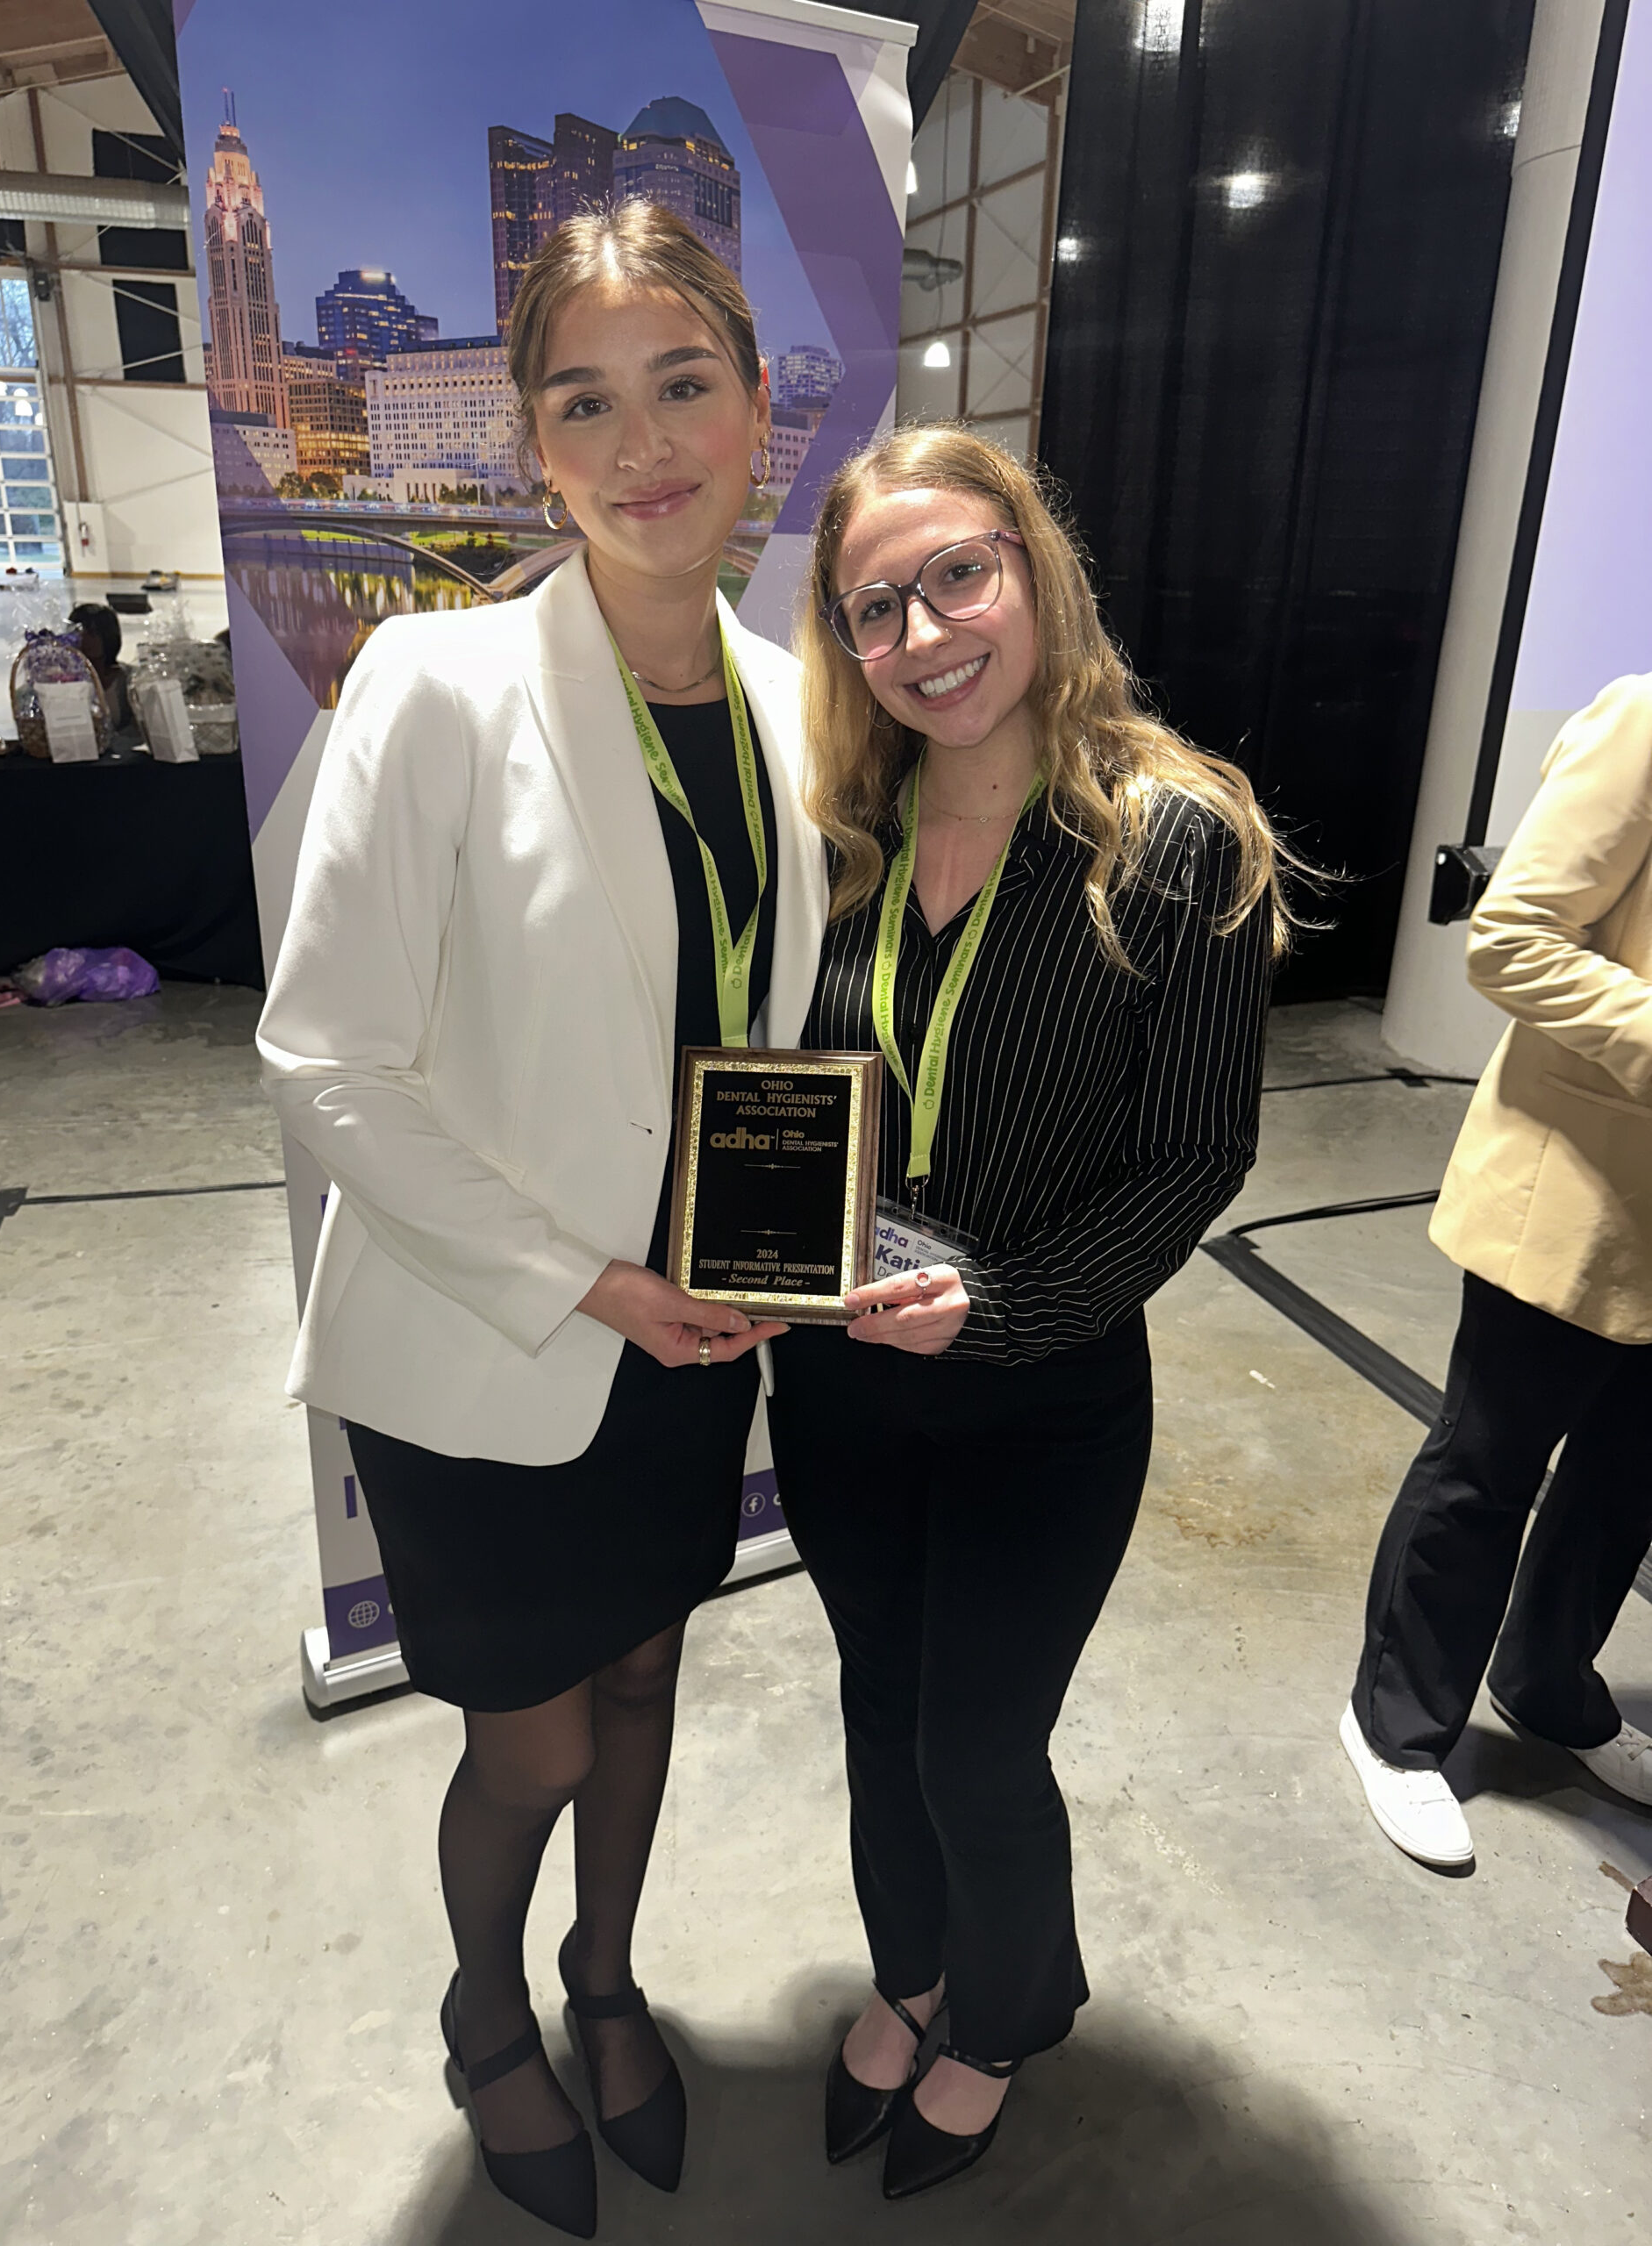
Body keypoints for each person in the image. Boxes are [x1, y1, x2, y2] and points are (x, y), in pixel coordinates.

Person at [256, 204, 827, 2239]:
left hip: (695, 1334)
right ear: (530, 445)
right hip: (492, 1335)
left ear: (761, 408)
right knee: (533, 1733)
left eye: (684, 381)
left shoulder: (790, 705)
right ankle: (486, 2006)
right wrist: (585, 1276)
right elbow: (326, 1059)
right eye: (584, 399)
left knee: (655, 1685)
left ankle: (608, 1977)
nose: (642, 436)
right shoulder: (437, 680)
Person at [766, 426, 1288, 2200]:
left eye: (956, 575)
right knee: (872, 1699)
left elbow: (1194, 1154)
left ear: (1033, 567)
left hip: (1045, 1390)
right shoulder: (840, 834)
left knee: (974, 1735)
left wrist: (996, 1306)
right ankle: (911, 1971)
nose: (922, 630)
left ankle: (997, 2011)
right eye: (874, 605)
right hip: (839, 1383)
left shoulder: (1173, 838)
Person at [1341, 675, 1652, 1870]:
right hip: (1575, 1188)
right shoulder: (1641, 722)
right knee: (1488, 1463)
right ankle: (1397, 1728)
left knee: (1629, 1474)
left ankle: (1548, 1681)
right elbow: (1512, 939)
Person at [67, 601, 133, 733]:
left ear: (108, 636)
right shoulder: (63, 679)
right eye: (79, 633)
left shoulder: (128, 680)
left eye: (93, 633)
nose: (84, 639)